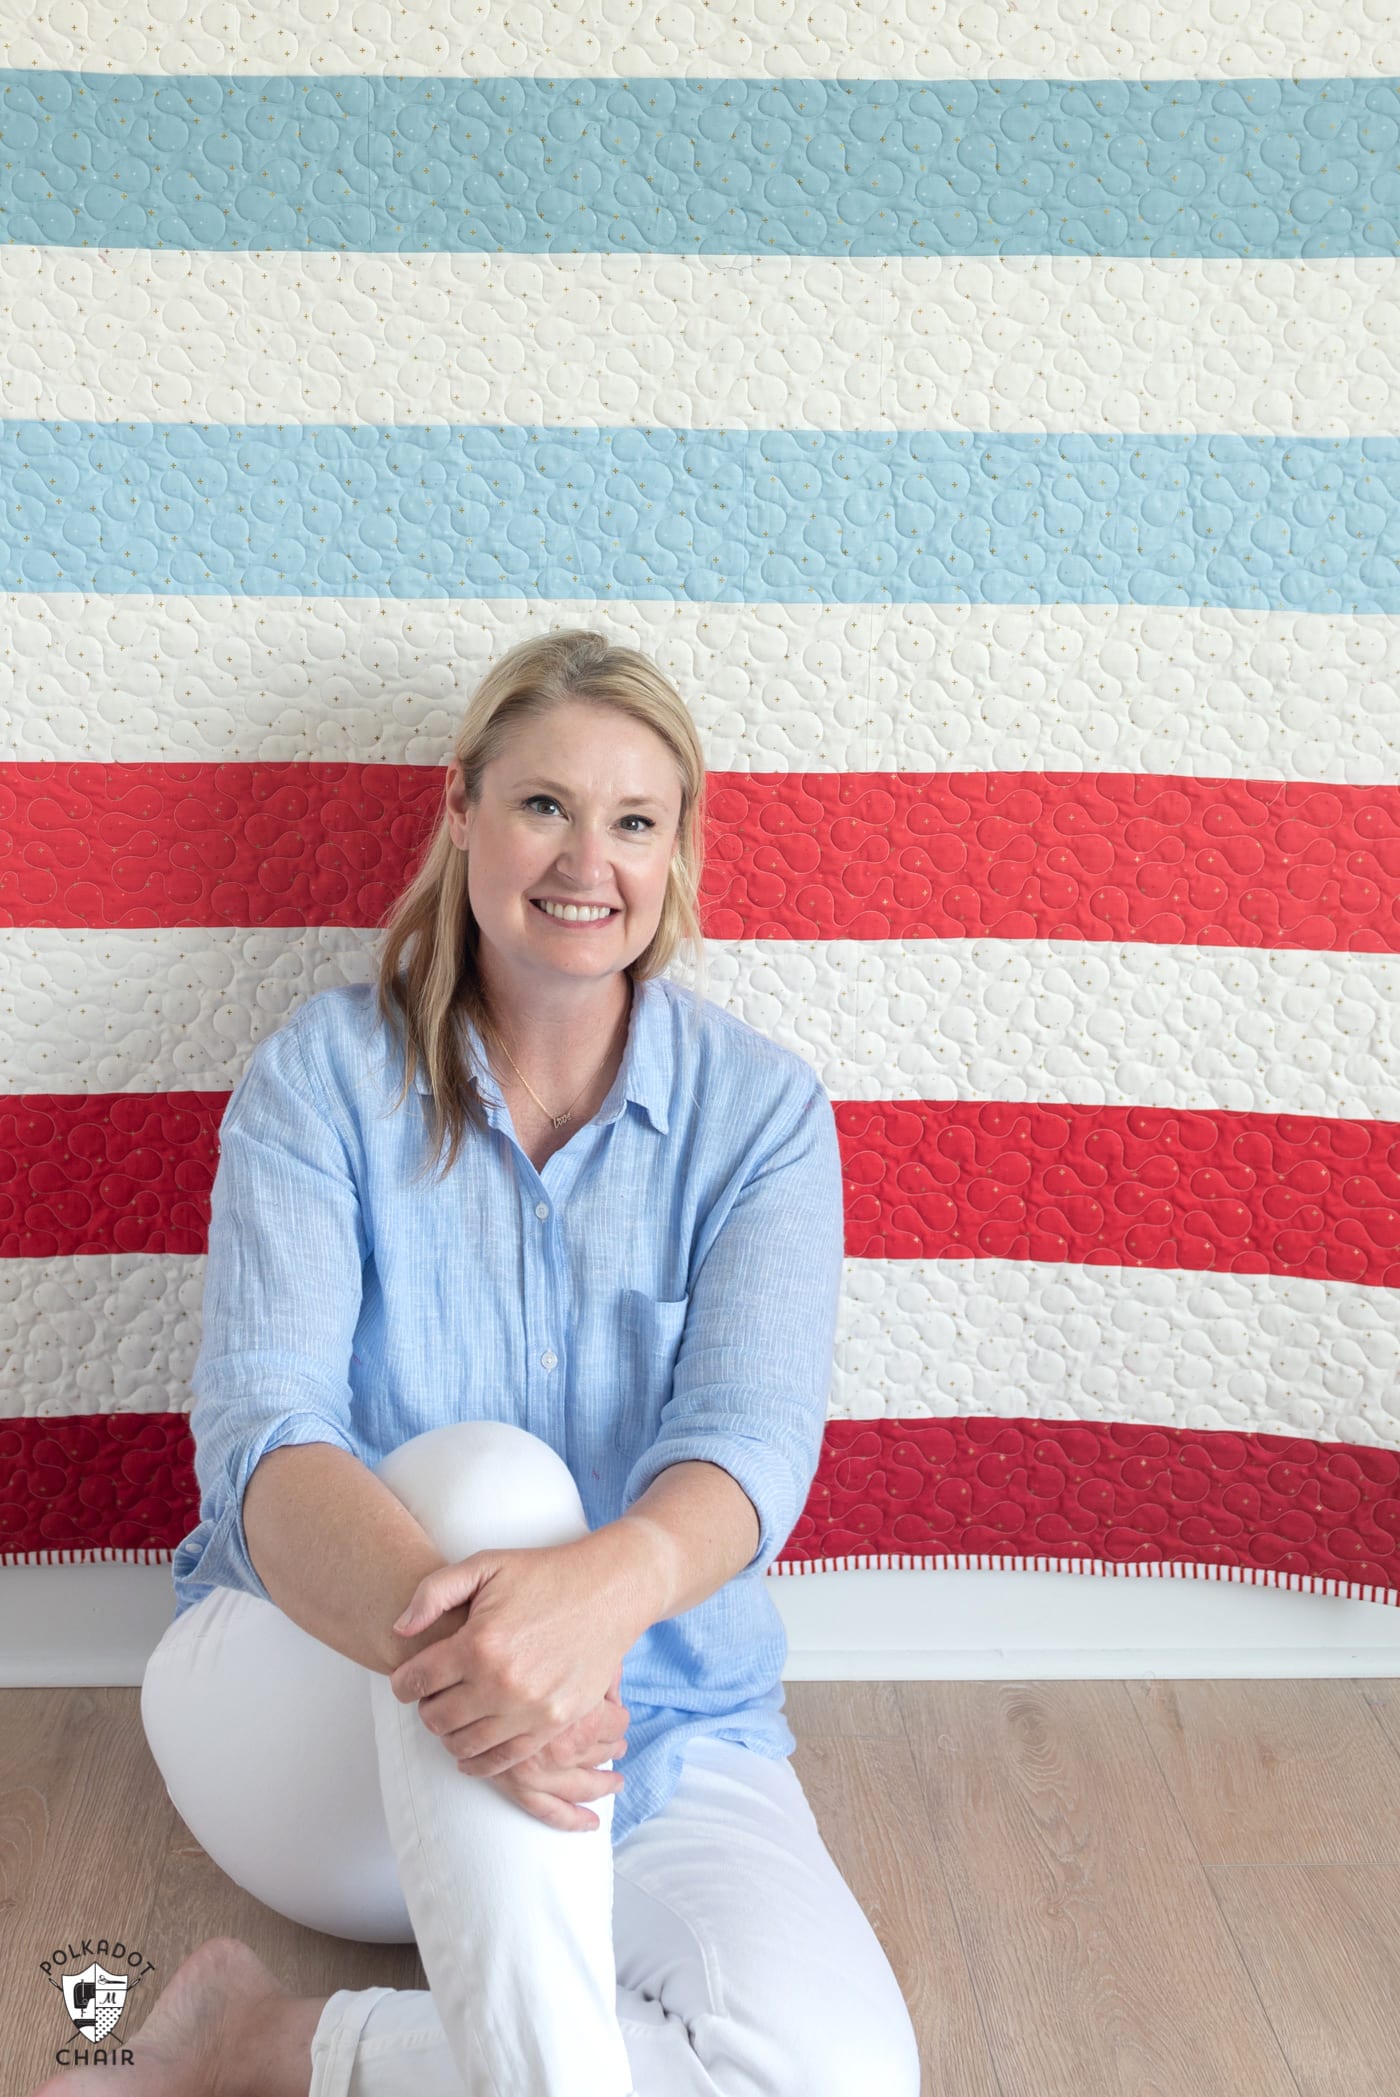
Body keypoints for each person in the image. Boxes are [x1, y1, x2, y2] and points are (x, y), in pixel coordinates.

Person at [31, 629, 921, 2097]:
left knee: (839, 2073)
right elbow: (263, 1443)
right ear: (462, 810)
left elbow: (752, 1445)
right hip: (311, 1705)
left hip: (653, 1725)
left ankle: (265, 2043)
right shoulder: (319, 1080)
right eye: (545, 805)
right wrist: (496, 1659)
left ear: (678, 848)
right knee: (494, 1480)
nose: (591, 859)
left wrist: (586, 1623)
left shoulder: (763, 1115)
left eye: (637, 819)